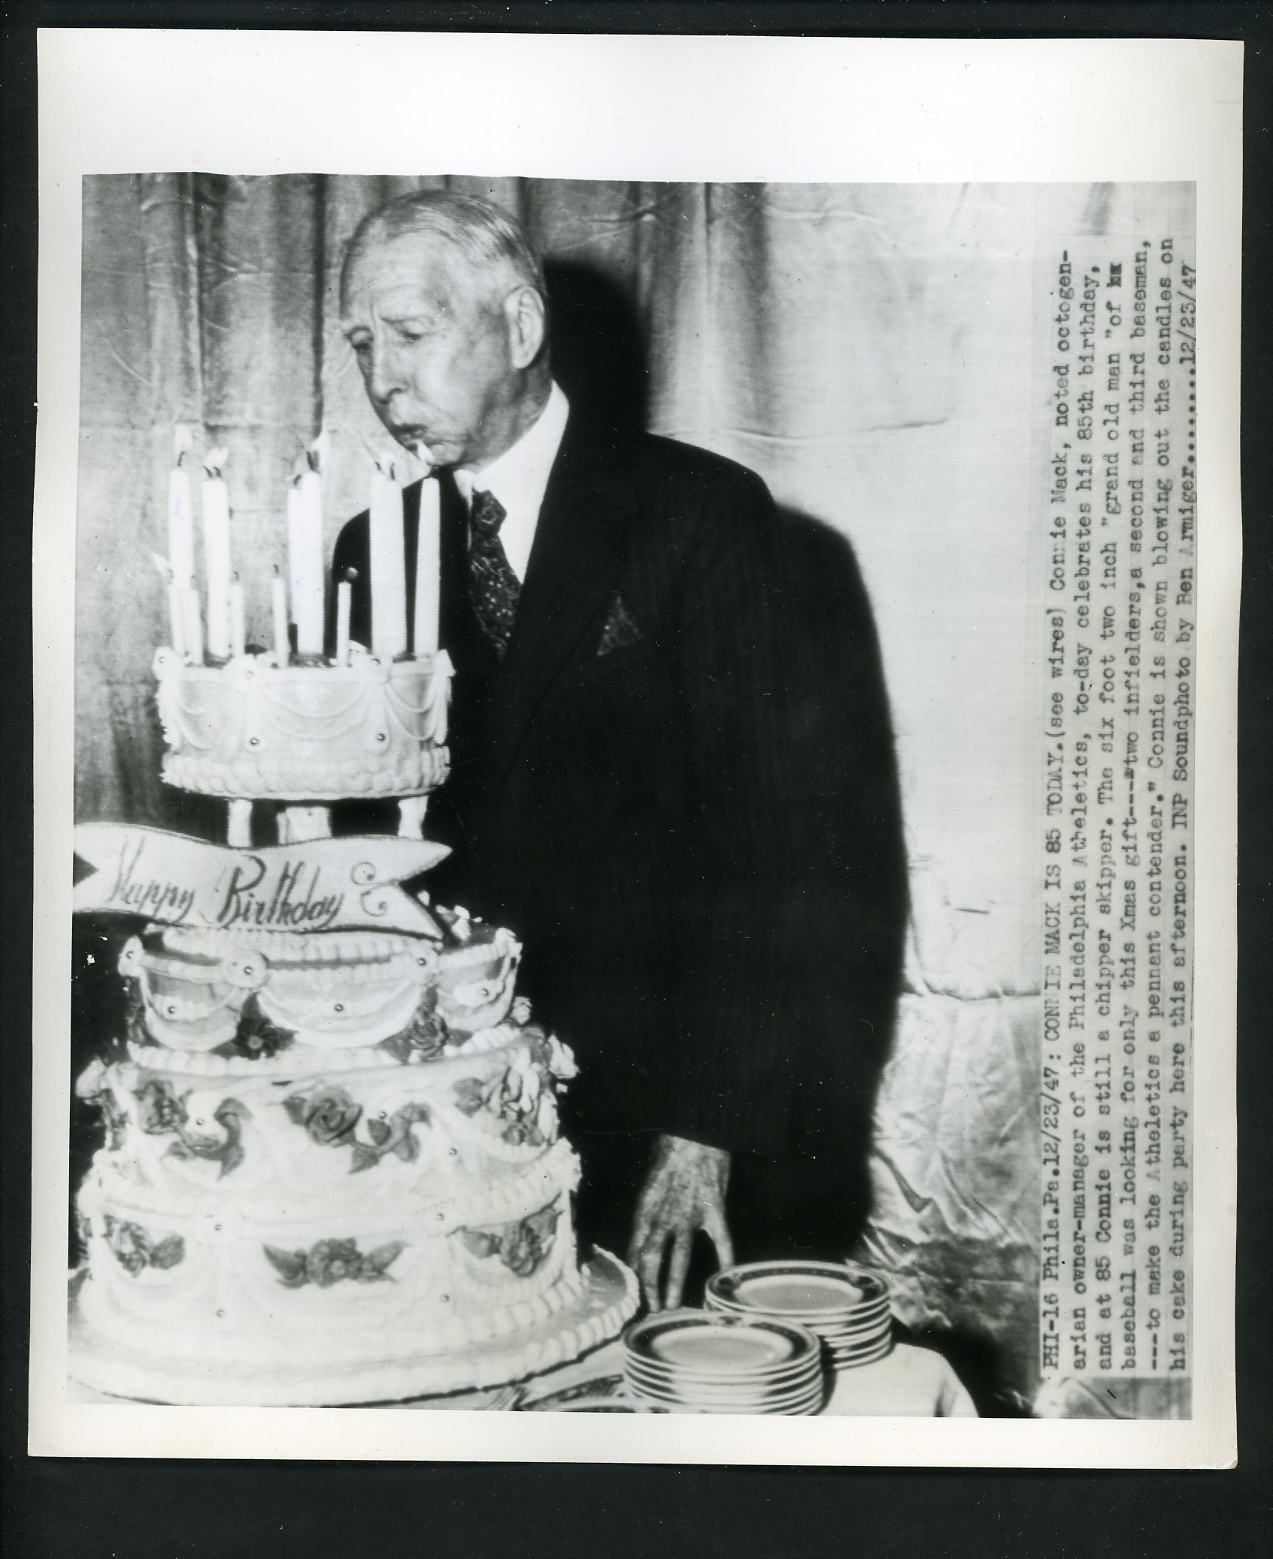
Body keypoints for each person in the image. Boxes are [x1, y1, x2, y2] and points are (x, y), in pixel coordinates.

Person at [332, 190, 908, 1311]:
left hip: (664, 1117)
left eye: (407, 333)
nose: (382, 377)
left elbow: (777, 849)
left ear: (520, 326)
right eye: (361, 345)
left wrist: (709, 1131)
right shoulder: (369, 552)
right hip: (442, 1114)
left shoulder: (700, 515)